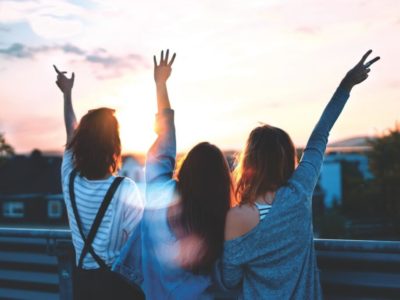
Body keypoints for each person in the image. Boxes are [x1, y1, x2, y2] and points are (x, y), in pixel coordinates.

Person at [221, 50, 380, 299]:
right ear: (286, 158)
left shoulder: (236, 217)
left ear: (249, 161)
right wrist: (346, 85)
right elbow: (320, 136)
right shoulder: (299, 191)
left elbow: (230, 281)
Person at [133, 50, 232, 299]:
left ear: (186, 167)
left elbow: (165, 139)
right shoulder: (220, 220)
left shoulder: (160, 194)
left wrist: (160, 84)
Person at [54, 65, 144, 299]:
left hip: (81, 284)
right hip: (117, 286)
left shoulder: (69, 180)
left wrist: (66, 94)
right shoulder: (125, 189)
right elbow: (138, 245)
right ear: (114, 145)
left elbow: (70, 135)